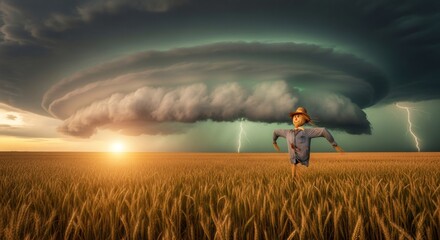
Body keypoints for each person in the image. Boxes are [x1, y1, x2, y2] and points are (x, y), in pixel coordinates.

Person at [273, 107, 343, 177]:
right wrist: (274, 142)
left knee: (300, 172)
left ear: (304, 119)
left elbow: (323, 131)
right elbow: (275, 132)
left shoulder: (306, 132)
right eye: (294, 116)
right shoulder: (288, 132)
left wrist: (334, 144)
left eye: (298, 116)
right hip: (293, 159)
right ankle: (293, 178)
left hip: (303, 160)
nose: (295, 118)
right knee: (293, 170)